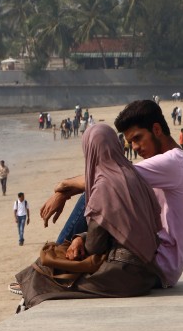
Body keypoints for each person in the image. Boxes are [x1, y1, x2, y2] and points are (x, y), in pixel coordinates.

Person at [40, 100, 183, 290]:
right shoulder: (171, 163)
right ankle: (57, 260)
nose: (135, 147)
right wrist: (82, 237)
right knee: (104, 193)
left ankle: (51, 266)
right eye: (130, 142)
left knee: (99, 192)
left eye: (138, 138)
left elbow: (106, 178)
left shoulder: (172, 162)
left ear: (156, 130)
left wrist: (63, 189)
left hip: (157, 265)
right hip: (154, 254)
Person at [14, 125, 163, 308]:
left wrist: (80, 239)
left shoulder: (104, 186)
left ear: (90, 151)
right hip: (149, 271)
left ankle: (25, 301)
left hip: (125, 275)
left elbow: (95, 245)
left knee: (49, 274)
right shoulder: (134, 176)